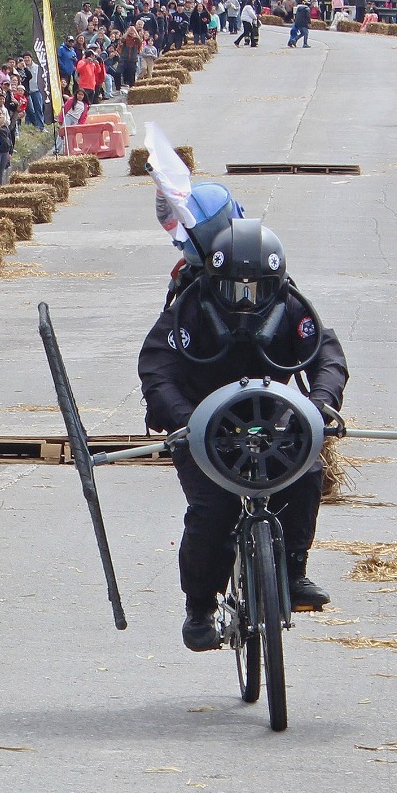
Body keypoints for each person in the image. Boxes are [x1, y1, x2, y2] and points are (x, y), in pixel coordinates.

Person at [138, 217, 349, 651]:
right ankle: (199, 606)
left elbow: (326, 356)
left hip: (273, 424)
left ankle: (293, 569)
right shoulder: (188, 310)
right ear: (214, 280)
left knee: (307, 476)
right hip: (201, 429)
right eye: (235, 287)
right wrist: (181, 419)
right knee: (212, 510)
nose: (246, 299)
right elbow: (158, 369)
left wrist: (322, 401)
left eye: (257, 287)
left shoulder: (293, 308)